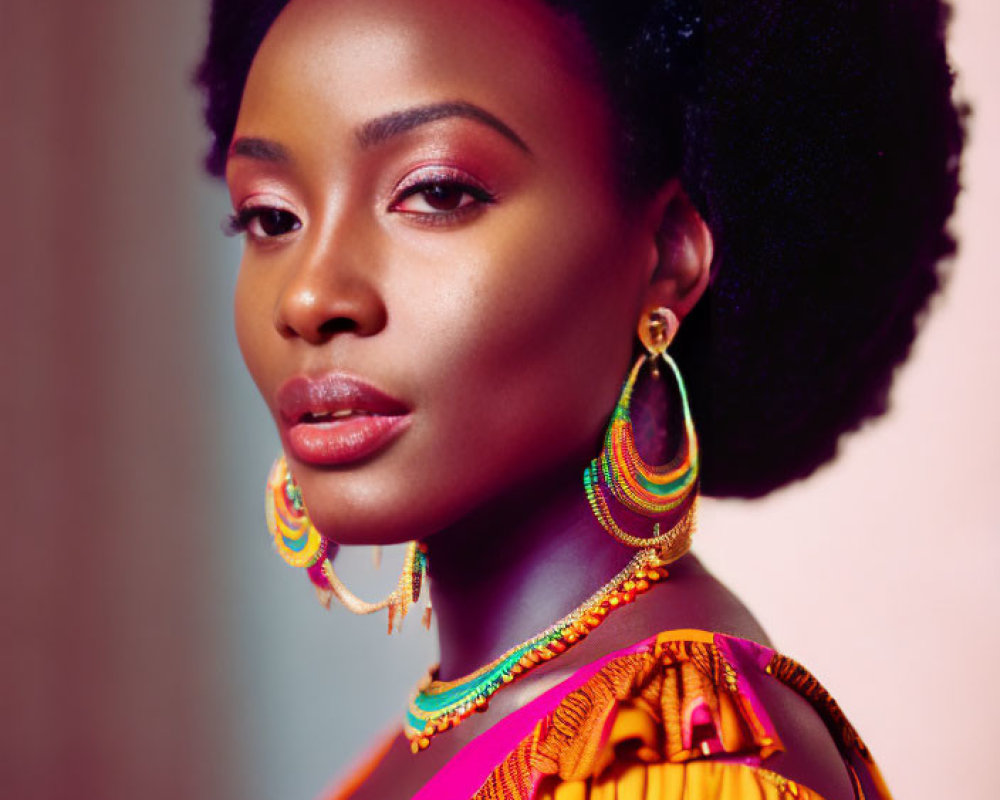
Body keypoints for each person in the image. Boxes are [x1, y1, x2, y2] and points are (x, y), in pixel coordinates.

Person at [195, 0, 963, 797]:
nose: (310, 296)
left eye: (438, 193)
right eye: (271, 216)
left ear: (668, 256)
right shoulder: (460, 729)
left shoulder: (682, 768)